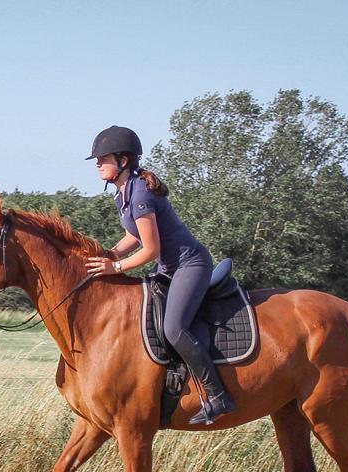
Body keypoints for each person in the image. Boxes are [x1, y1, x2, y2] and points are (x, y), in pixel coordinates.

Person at [82, 125, 235, 425]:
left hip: (190, 265)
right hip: (169, 268)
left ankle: (217, 395)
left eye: (103, 158)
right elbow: (134, 236)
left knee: (174, 328)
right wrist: (111, 253)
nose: (98, 163)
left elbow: (150, 249)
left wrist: (116, 267)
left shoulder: (140, 192)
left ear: (123, 160)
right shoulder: (122, 194)